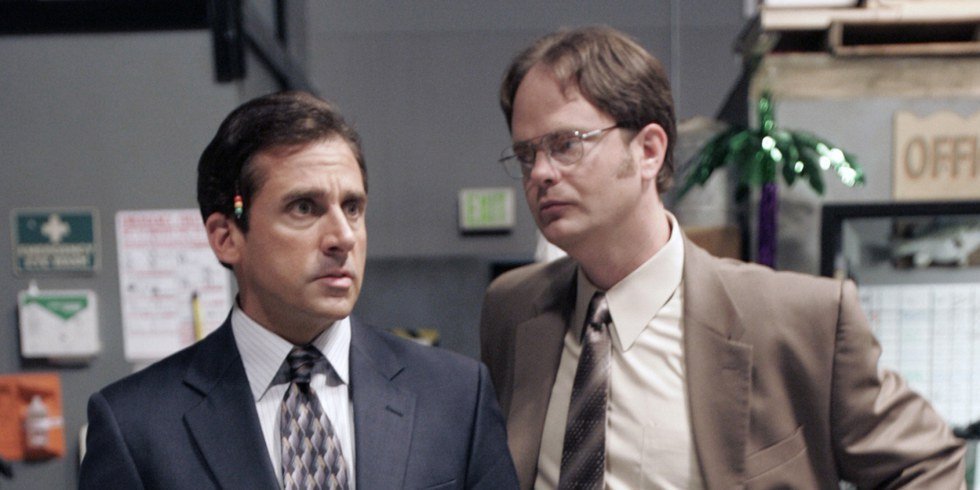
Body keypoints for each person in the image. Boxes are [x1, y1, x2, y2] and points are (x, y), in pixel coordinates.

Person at [480, 26, 966, 489]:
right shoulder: (513, 309)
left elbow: (927, 463)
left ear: (649, 151)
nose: (540, 173)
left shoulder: (798, 320)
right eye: (526, 155)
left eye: (565, 145)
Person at [80, 91, 518, 489]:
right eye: (304, 208)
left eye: (353, 207)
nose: (342, 237)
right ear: (226, 237)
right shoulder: (135, 427)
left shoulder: (456, 396)